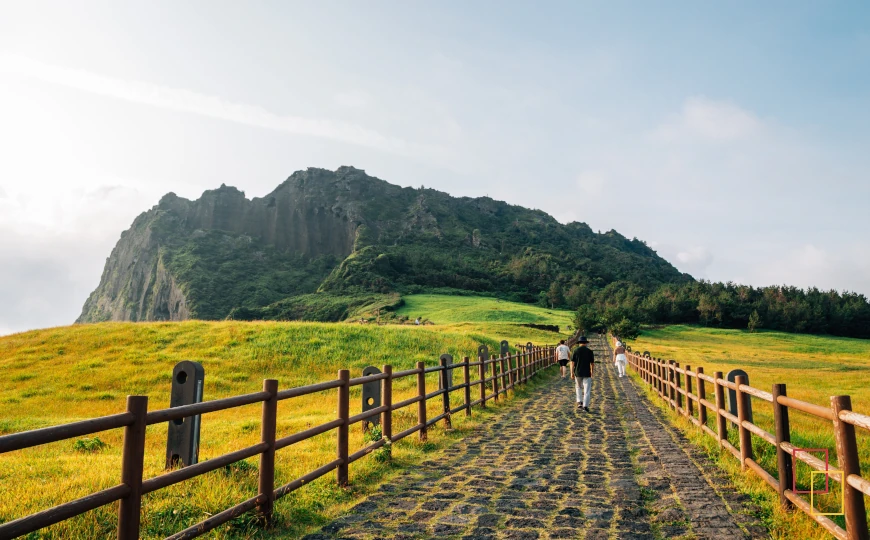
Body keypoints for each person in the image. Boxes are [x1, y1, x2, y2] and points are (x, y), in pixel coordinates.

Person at [570, 336, 594, 411]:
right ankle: (585, 405)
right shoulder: (589, 351)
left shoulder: (575, 350)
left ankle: (579, 402)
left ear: (579, 343)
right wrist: (592, 372)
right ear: (586, 343)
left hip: (578, 372)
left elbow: (572, 362)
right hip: (587, 372)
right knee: (587, 390)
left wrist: (571, 372)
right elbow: (592, 363)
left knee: (578, 387)